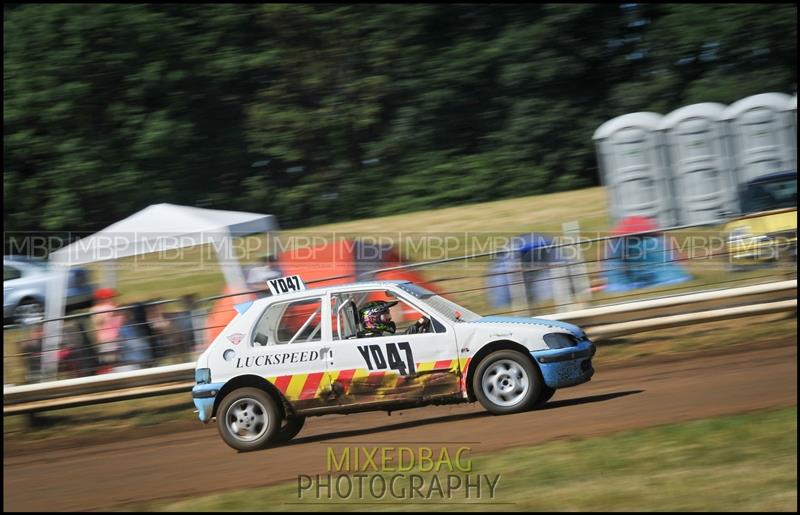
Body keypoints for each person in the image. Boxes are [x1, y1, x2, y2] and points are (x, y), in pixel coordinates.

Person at [90, 288, 125, 374]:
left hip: (116, 338)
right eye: (111, 297)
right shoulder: (99, 309)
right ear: (103, 299)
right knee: (109, 362)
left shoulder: (114, 307)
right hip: (107, 339)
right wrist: (110, 310)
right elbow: (99, 321)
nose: (113, 299)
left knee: (116, 361)